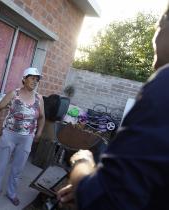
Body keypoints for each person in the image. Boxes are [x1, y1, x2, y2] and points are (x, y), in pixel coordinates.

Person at [57, 4, 169, 210]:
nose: (154, 38)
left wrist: (83, 163)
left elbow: (104, 200)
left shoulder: (165, 85)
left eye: (158, 25)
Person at [0, 67, 45, 206]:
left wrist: (39, 132)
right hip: (9, 135)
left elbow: (42, 117)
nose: (35, 81)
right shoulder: (14, 94)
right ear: (24, 79)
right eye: (32, 78)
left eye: (37, 79)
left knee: (18, 168)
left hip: (27, 138)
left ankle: (11, 192)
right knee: (0, 165)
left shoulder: (39, 98)